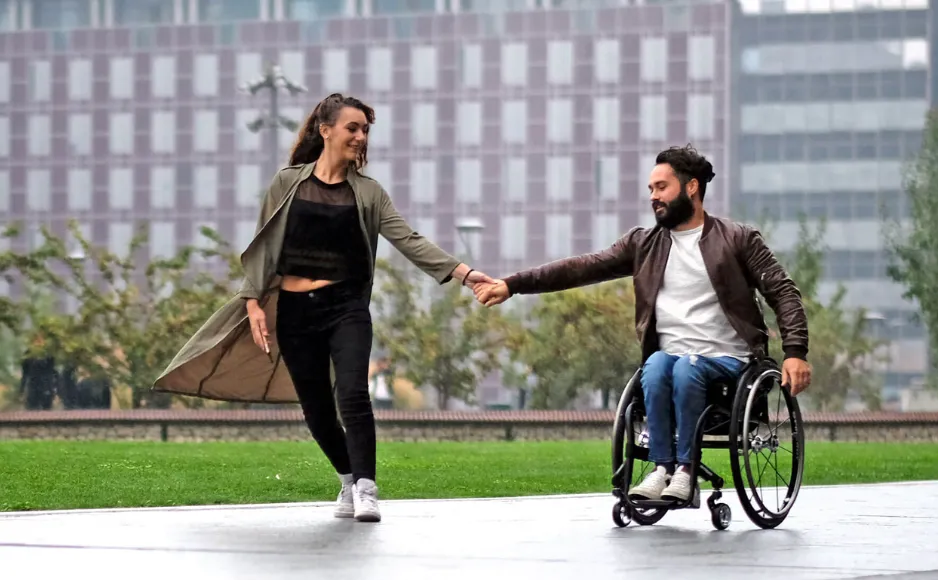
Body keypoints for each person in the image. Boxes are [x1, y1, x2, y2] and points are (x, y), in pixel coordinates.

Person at [153, 93, 494, 522]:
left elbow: (408, 239)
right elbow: (263, 244)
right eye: (353, 127)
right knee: (315, 407)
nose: (360, 136)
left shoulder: (368, 193)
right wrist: (252, 301)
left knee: (353, 393)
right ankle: (348, 479)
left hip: (345, 305)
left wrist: (465, 273)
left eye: (365, 130)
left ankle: (367, 488)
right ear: (325, 129)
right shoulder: (287, 183)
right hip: (295, 311)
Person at [475, 145, 811, 506]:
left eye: (661, 187)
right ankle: (662, 468)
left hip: (730, 362)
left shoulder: (738, 239)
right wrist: (513, 284)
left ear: (692, 187)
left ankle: (686, 471)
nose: (653, 196)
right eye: (651, 189)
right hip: (672, 361)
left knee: (686, 367)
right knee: (655, 365)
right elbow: (581, 267)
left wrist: (795, 352)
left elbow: (783, 292)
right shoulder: (644, 244)